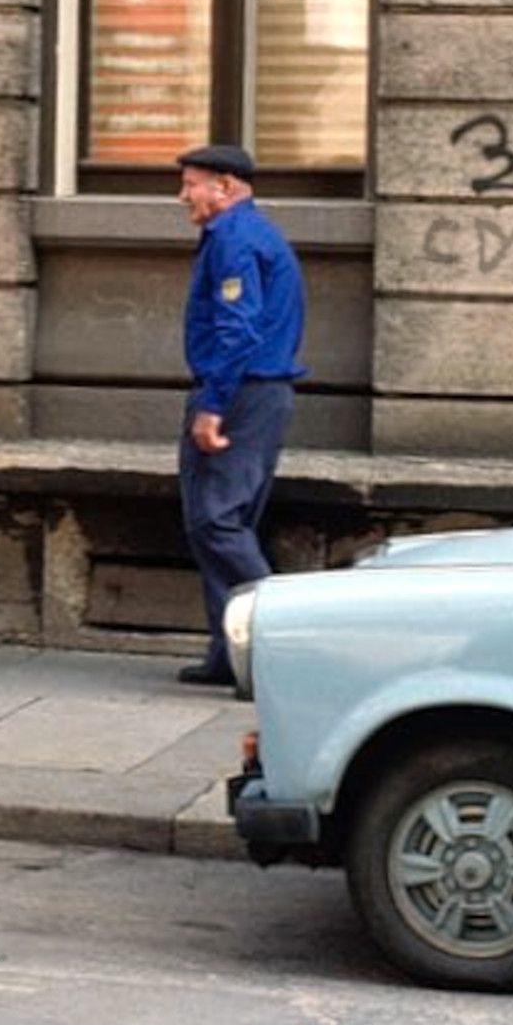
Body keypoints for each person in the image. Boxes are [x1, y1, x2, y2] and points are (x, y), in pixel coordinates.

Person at [173, 143, 306, 687]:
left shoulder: (234, 238)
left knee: (216, 521)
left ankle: (283, 644)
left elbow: (239, 328)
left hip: (241, 392)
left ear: (224, 187)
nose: (182, 196)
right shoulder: (248, 233)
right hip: (252, 390)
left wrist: (212, 405)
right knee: (222, 522)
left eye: (191, 184)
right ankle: (230, 654)